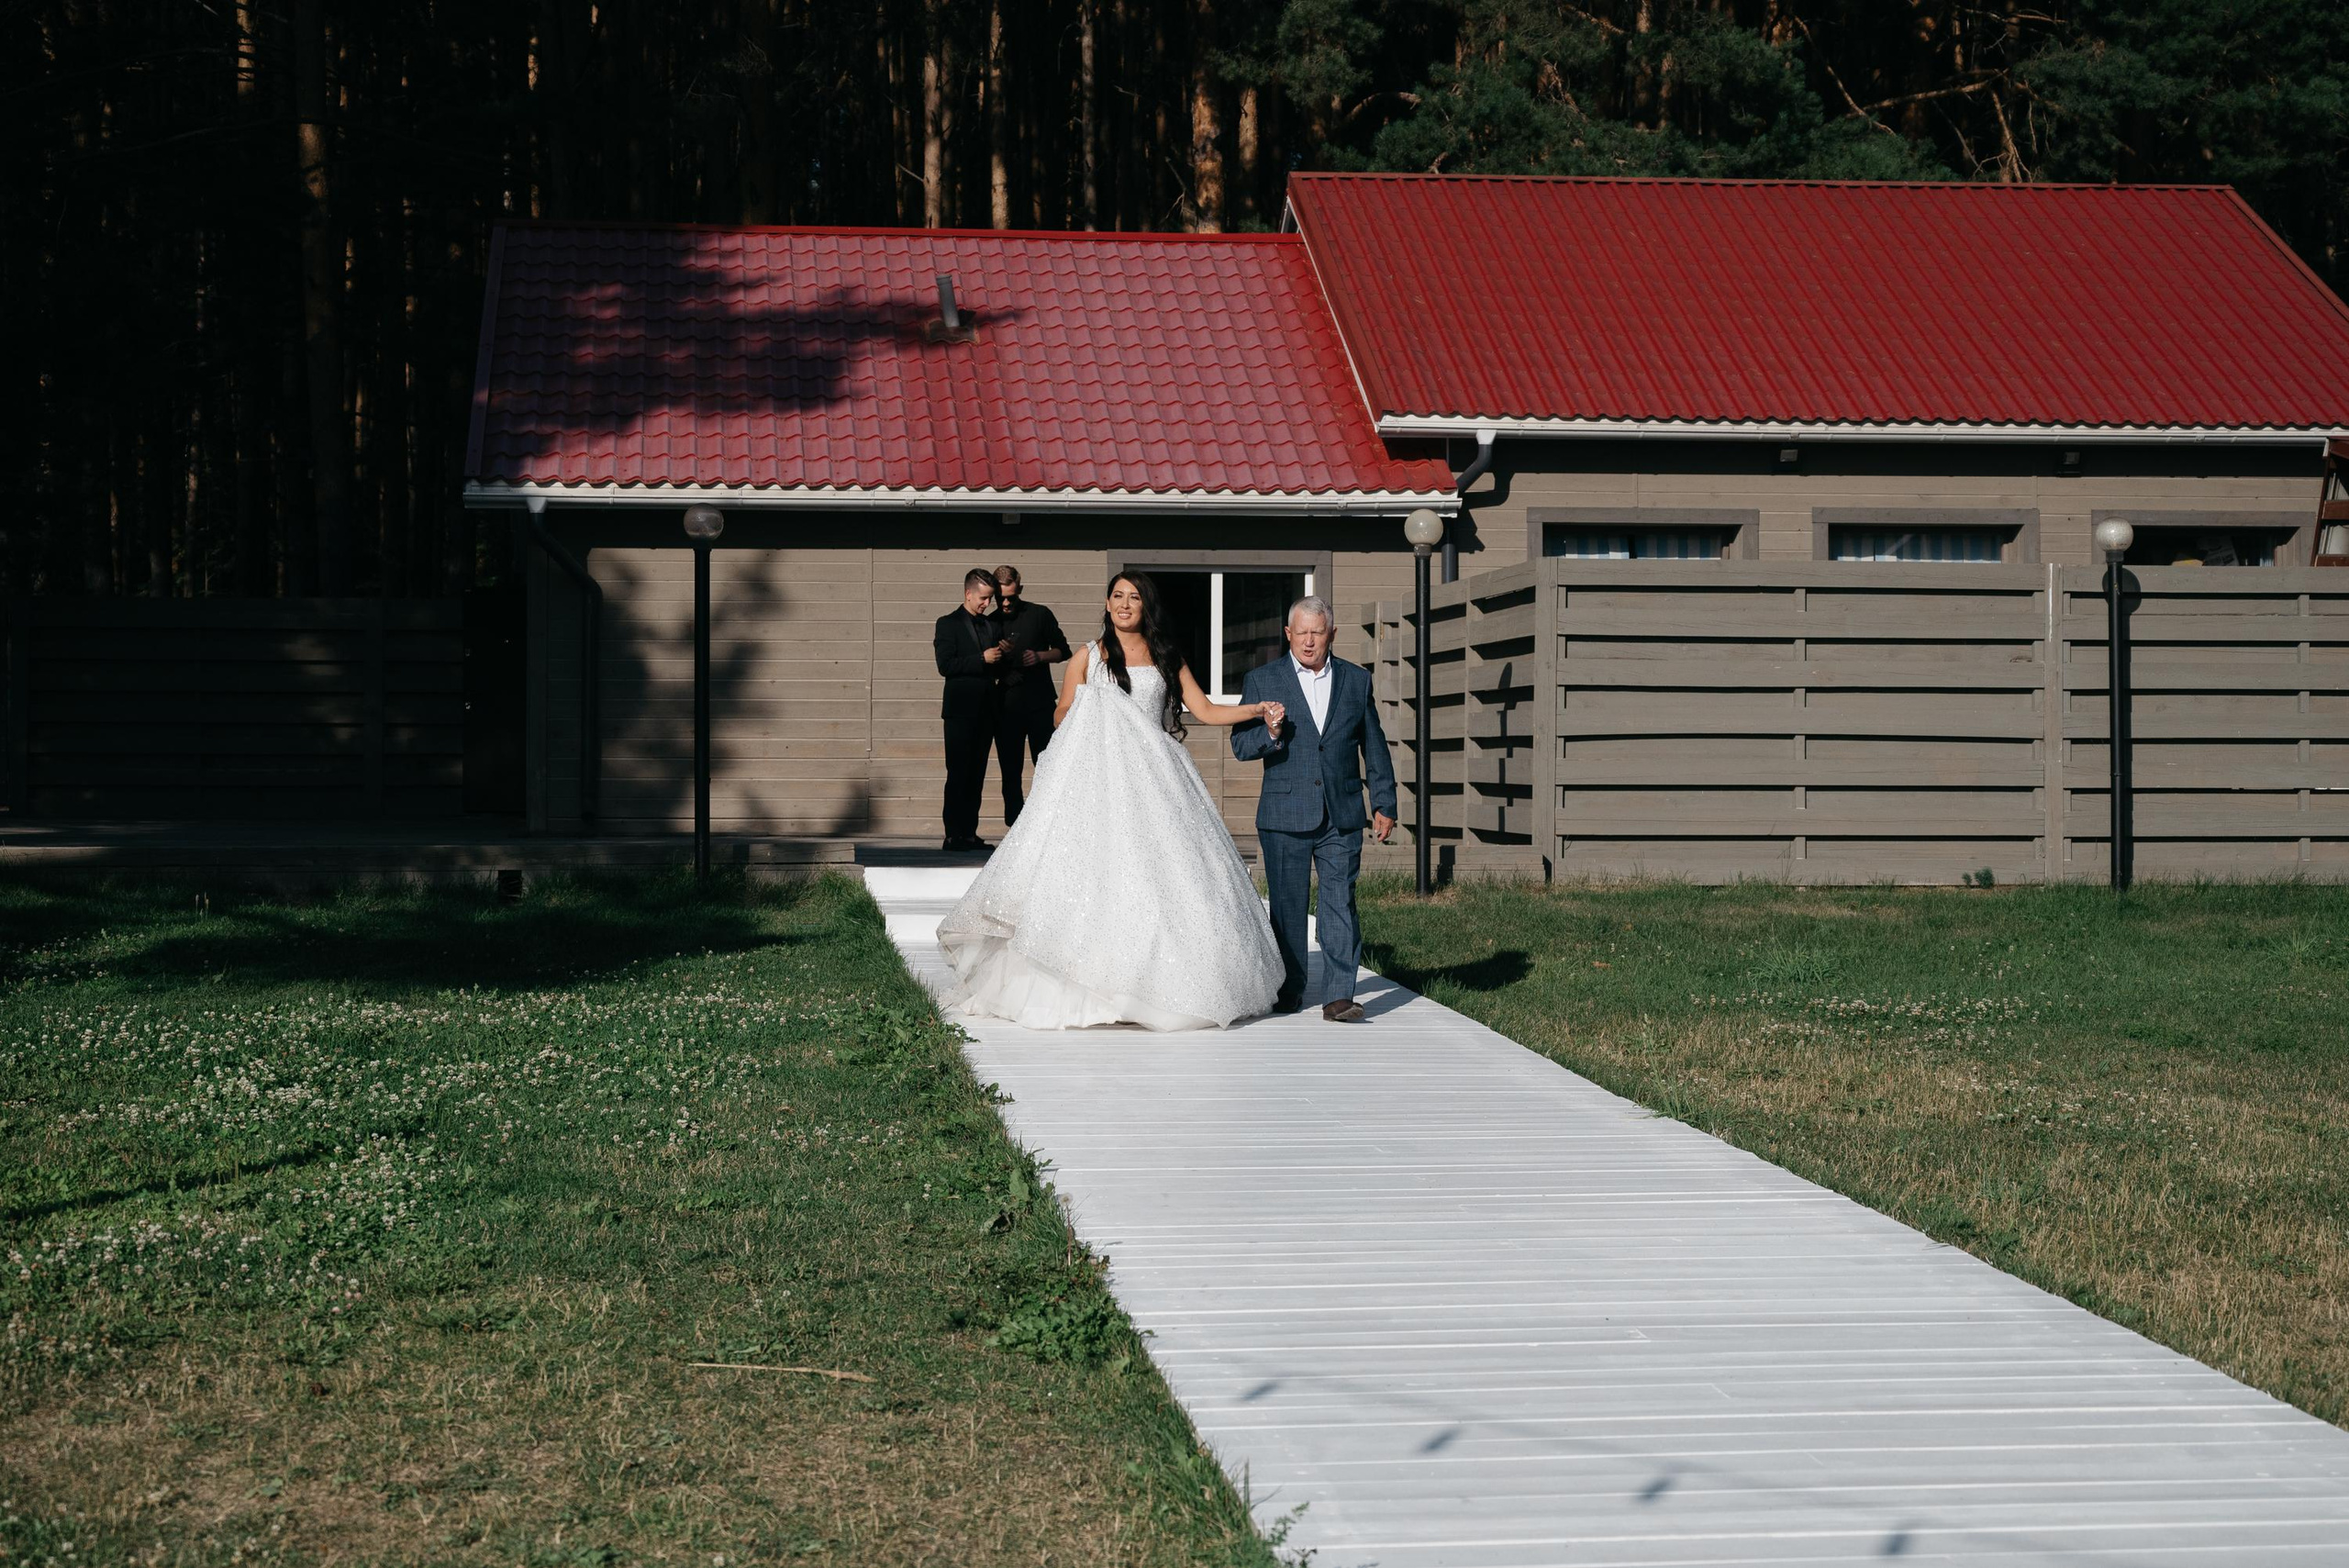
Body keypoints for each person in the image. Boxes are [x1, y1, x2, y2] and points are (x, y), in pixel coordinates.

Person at [937, 572, 1286, 1029]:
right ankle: (1090, 983)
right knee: (1096, 876)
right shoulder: (1086, 656)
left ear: (1146, 606)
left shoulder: (1166, 656)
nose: (1125, 604)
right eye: (1118, 596)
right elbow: (1060, 715)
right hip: (1098, 782)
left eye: (1134, 597)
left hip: (1155, 782)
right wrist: (1088, 703)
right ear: (1106, 603)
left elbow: (1204, 710)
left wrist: (1256, 710)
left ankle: (1162, 982)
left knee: (1160, 875)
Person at [1231, 596, 1397, 1022]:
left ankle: (1339, 995)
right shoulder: (1262, 679)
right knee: (1287, 907)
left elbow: (1374, 746)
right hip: (1285, 814)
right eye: (1301, 632)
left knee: (1340, 900)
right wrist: (1270, 732)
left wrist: (1383, 802)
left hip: (1341, 812)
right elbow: (1241, 746)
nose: (1308, 641)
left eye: (1317, 632)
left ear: (1332, 635)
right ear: (1288, 634)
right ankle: (1289, 989)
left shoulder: (1357, 681)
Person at [988, 564, 1071, 828]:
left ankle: (1048, 821)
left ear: (1020, 590)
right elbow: (982, 665)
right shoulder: (990, 623)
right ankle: (1016, 826)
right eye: (1001, 598)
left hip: (1040, 703)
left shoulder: (1040, 614)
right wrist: (1002, 672)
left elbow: (1063, 651)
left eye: (1011, 597)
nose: (1006, 603)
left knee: (1046, 764)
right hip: (1006, 706)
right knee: (1010, 770)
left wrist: (1039, 656)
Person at [933, 567, 1009, 851]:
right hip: (960, 710)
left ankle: (969, 833)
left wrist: (1003, 654)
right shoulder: (947, 623)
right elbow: (946, 665)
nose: (986, 604)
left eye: (990, 599)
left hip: (987, 710)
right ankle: (953, 834)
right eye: (982, 598)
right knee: (958, 773)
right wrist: (981, 658)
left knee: (977, 773)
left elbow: (997, 666)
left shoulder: (991, 626)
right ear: (968, 593)